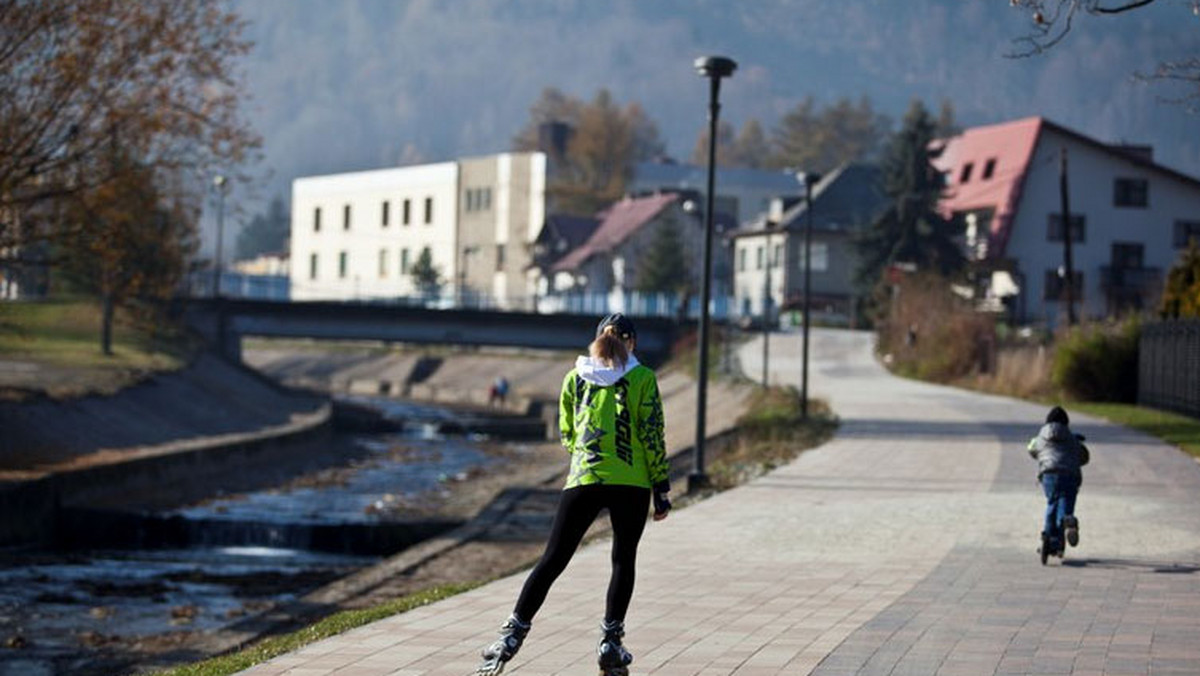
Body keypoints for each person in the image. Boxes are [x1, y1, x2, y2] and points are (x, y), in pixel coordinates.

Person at [475, 313, 671, 676]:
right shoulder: (643, 377)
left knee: (552, 559)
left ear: (597, 341)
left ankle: (511, 636)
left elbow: (567, 430)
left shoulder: (575, 378)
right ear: (633, 343)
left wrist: (583, 457)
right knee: (622, 560)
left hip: (584, 477)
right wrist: (661, 488)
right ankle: (611, 642)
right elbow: (651, 433)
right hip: (631, 483)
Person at [1027, 405, 1089, 562]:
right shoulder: (1072, 438)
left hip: (1049, 474)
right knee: (1065, 504)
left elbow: (1032, 450)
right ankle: (1068, 520)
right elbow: (1084, 457)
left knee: (1052, 503)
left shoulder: (1040, 437)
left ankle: (1050, 540)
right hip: (1070, 475)